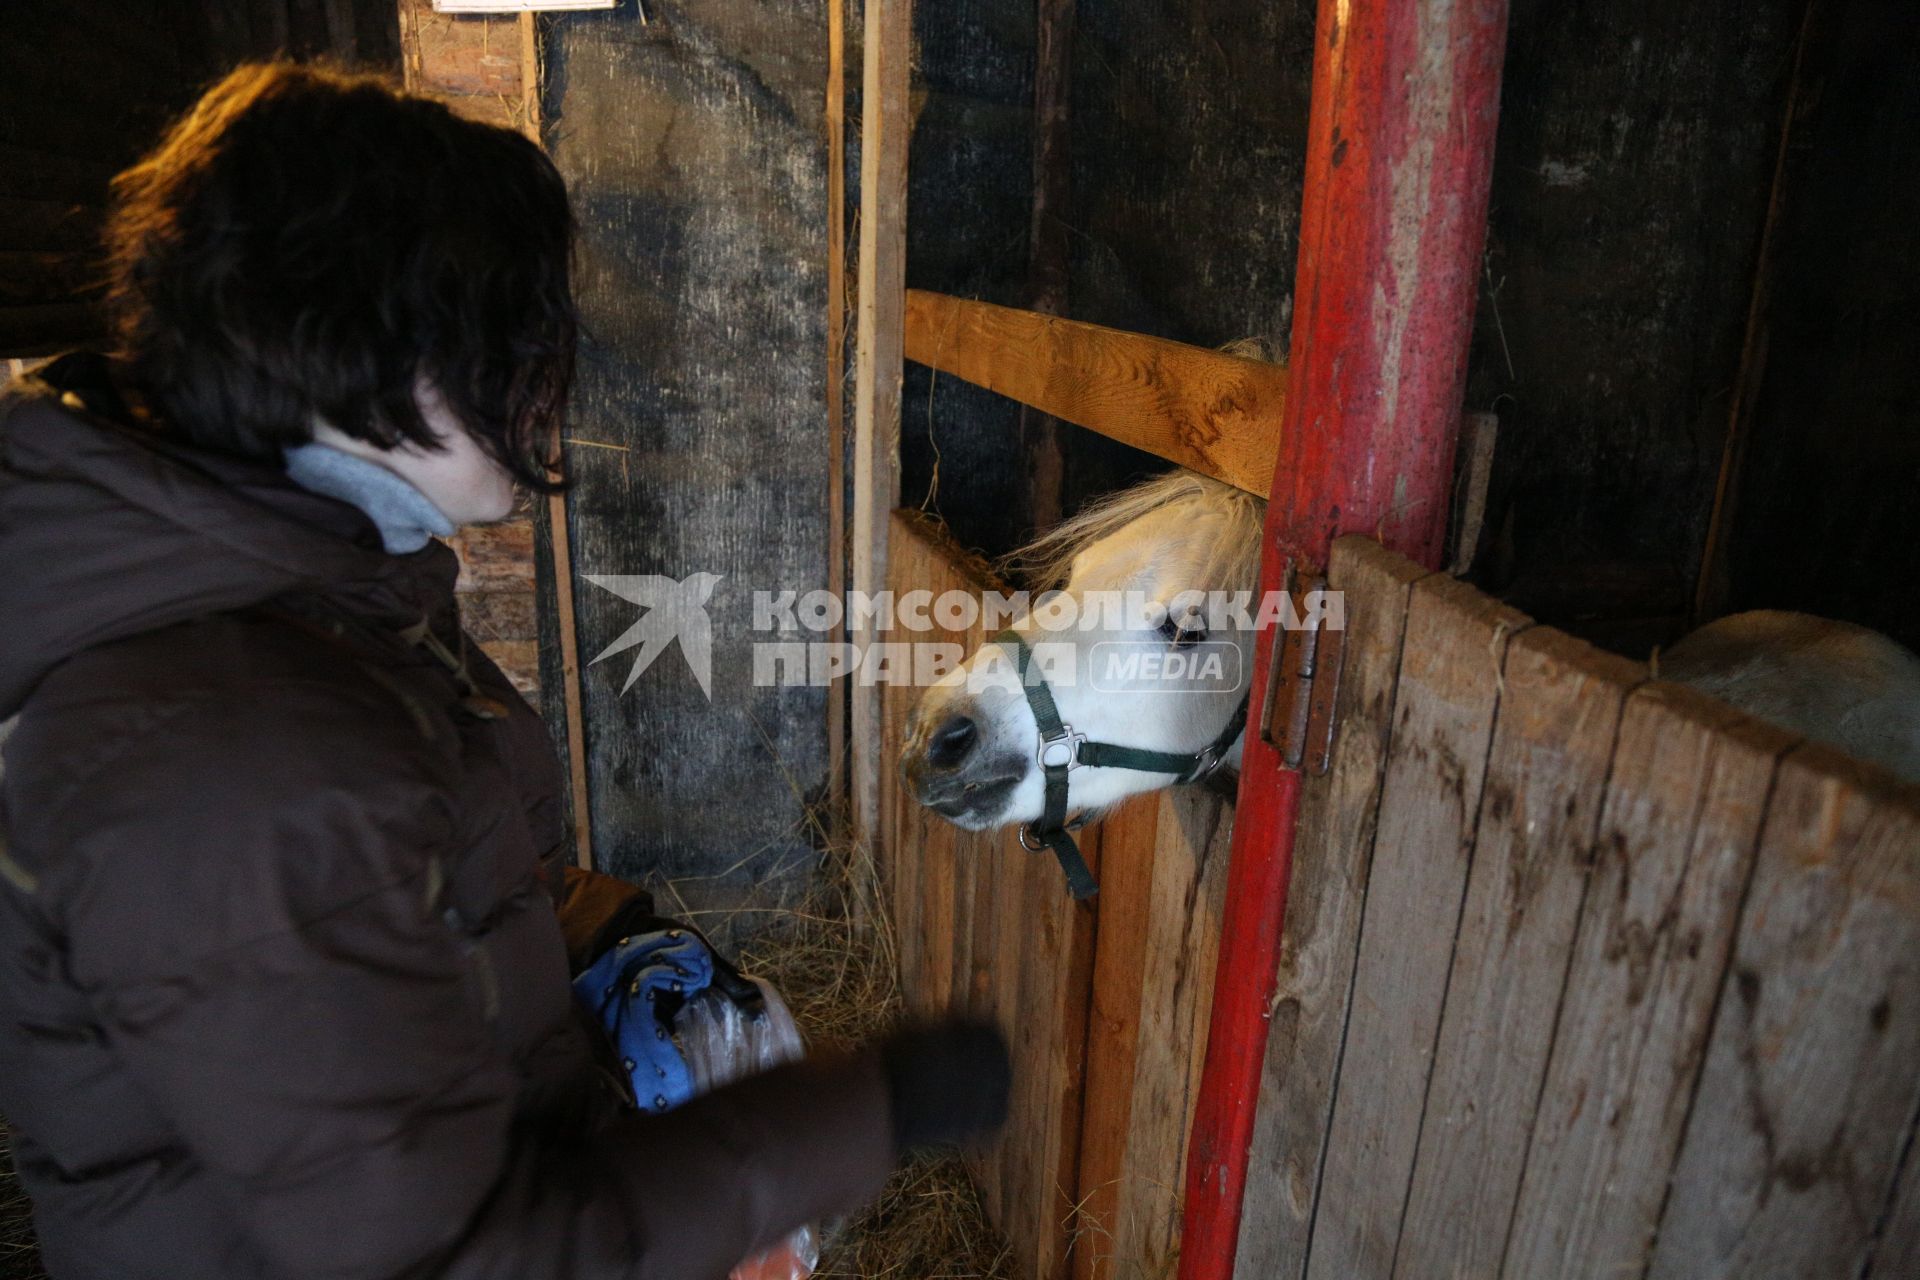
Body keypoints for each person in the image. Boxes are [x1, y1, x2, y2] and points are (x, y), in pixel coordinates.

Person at [0, 62, 1009, 1279]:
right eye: (504, 333)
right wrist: (864, 1112)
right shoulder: (218, 747)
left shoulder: (328, 607)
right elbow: (464, 1258)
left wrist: (586, 925)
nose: (546, 380)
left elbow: (393, 916)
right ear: (351, 346)